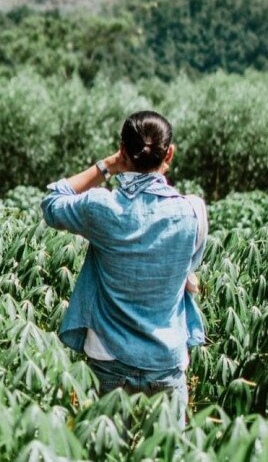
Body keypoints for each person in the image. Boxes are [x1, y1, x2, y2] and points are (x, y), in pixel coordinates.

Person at [41, 110, 207, 428]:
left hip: (108, 357)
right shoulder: (192, 212)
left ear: (122, 149)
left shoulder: (102, 207)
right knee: (167, 453)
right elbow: (189, 267)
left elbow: (52, 202)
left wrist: (107, 166)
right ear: (169, 153)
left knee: (107, 451)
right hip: (166, 360)